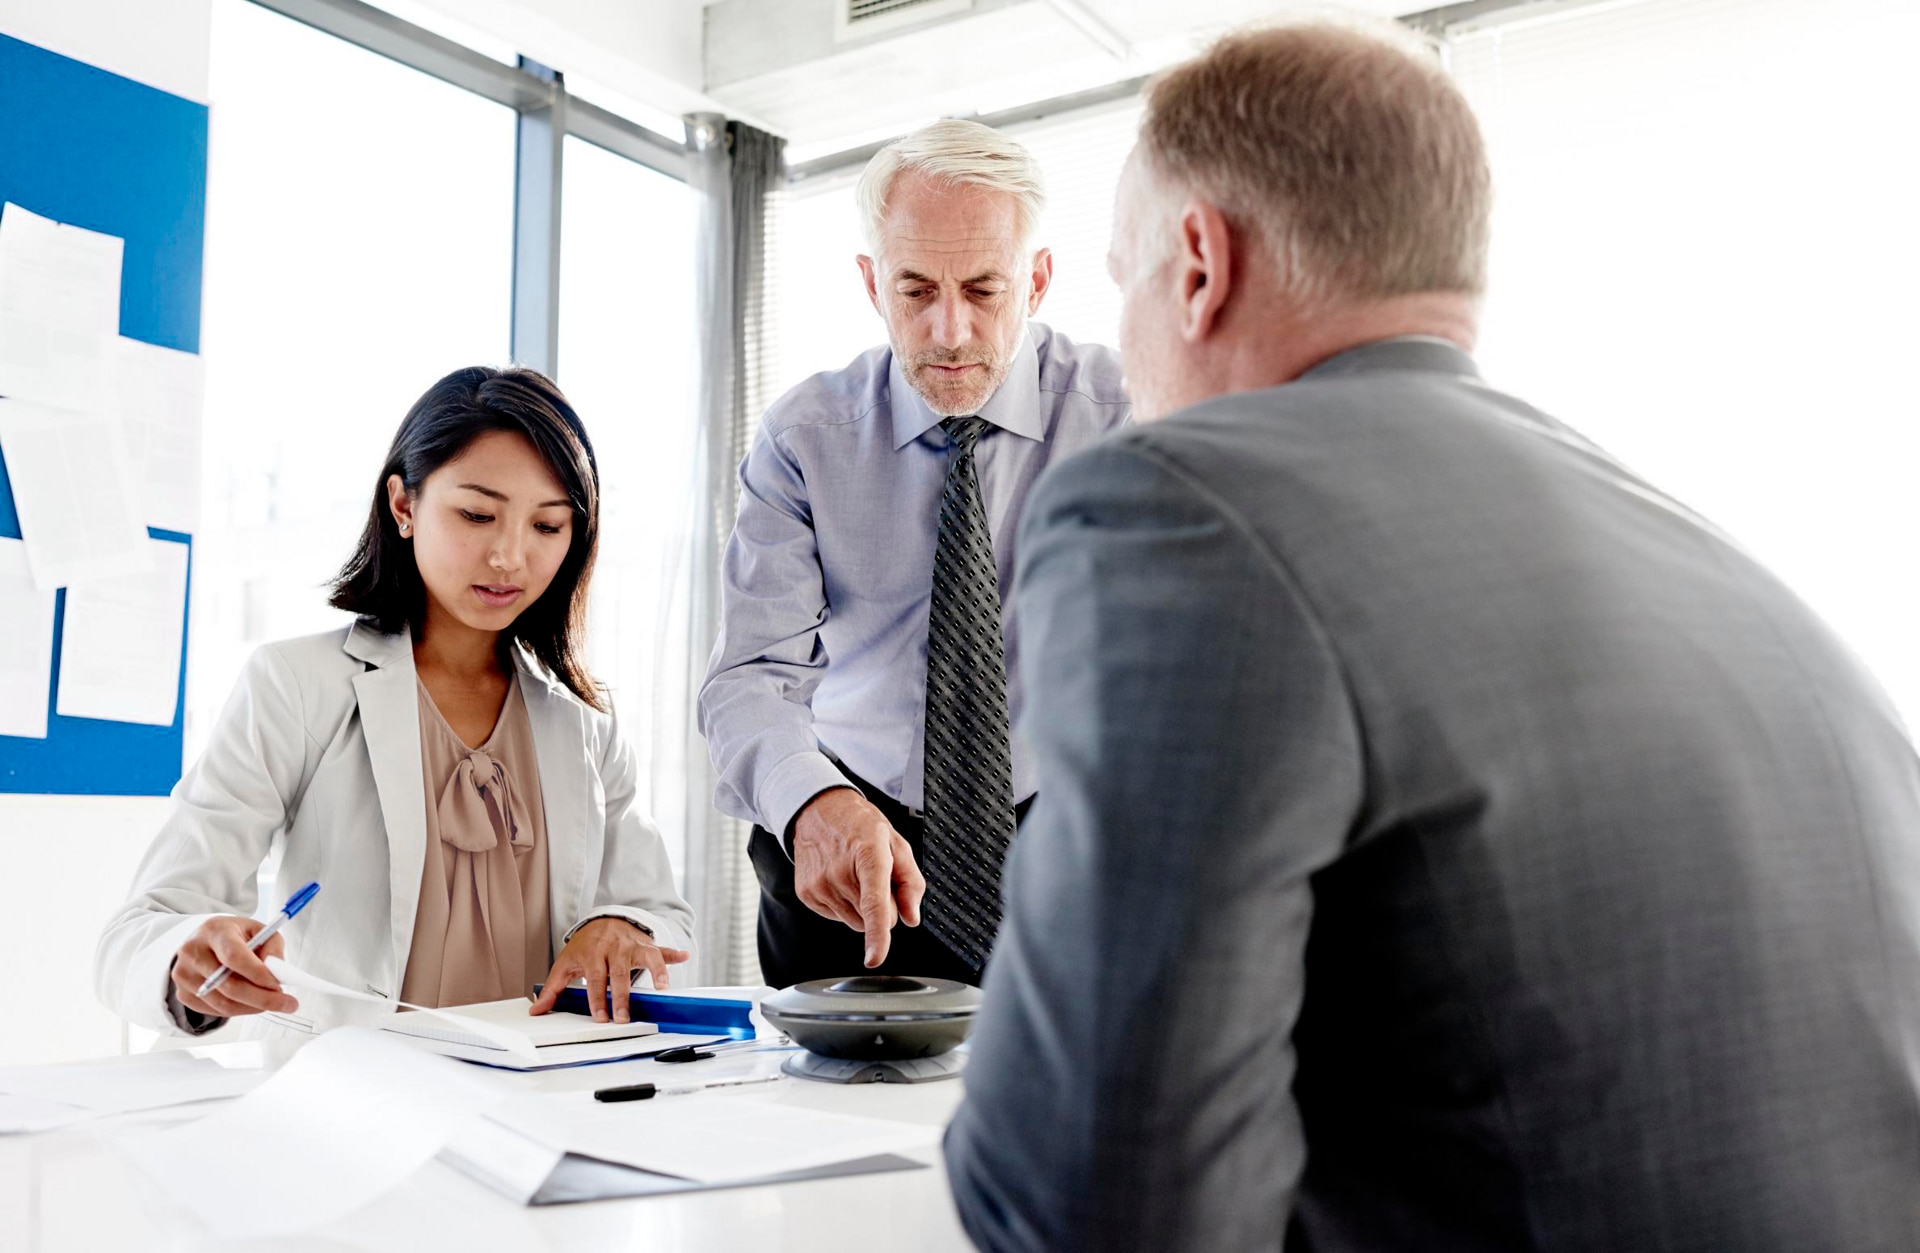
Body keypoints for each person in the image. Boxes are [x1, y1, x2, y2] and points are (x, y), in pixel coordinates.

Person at [945, 21, 1920, 1252]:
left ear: (1197, 264)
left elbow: (1094, 1203)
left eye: (1119, 275)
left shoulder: (1183, 507)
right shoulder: (1752, 591)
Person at [96, 367, 693, 1037]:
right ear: (403, 506)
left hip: (543, 1106)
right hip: (357, 1110)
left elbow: (663, 917)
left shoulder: (586, 728)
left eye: (547, 526)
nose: (509, 556)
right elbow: (139, 928)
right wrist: (188, 957)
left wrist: (619, 927)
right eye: (476, 514)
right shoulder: (295, 684)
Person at [699, 119, 1130, 987]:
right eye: (915, 290)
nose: (949, 331)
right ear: (871, 285)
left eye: (982, 289)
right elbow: (747, 676)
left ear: (1037, 280)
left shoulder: (1124, 413)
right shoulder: (805, 438)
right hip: (849, 843)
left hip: (1062, 823)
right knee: (820, 1109)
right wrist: (813, 799)